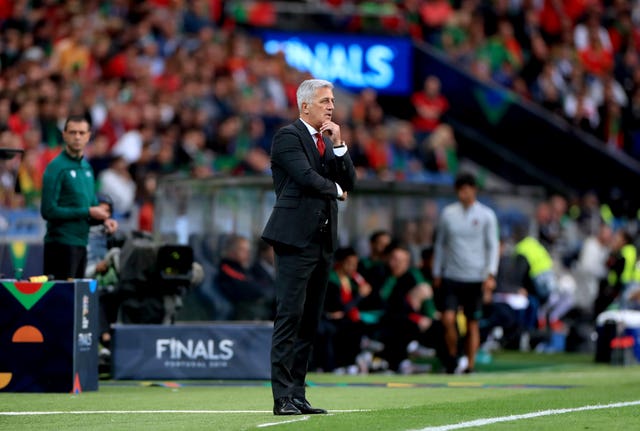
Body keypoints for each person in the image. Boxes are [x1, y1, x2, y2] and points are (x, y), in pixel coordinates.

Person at [261, 78, 356, 416]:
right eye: (325, 101)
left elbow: (351, 182)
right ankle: (282, 397)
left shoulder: (327, 142)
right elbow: (306, 178)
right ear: (305, 106)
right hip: (294, 240)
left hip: (322, 242)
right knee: (290, 316)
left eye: (331, 101)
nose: (331, 106)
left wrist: (341, 145)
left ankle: (297, 394)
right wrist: (336, 189)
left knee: (309, 321)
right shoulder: (288, 136)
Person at [432, 171, 499, 374]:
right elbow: (440, 244)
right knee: (448, 320)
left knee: (472, 323)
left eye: (466, 190)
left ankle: (470, 364)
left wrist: (490, 274)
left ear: (474, 190)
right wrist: (437, 271)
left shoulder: (486, 215)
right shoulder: (448, 214)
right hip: (452, 275)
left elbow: (493, 246)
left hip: (475, 277)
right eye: (460, 190)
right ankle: (452, 358)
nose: (463, 194)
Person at [40, 114, 118, 280]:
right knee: (60, 302)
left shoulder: (87, 168)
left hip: (81, 244)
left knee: (76, 301)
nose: (77, 137)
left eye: (82, 133)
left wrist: (105, 220)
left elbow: (91, 203)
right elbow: (48, 211)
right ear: (64, 135)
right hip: (60, 245)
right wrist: (88, 212)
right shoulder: (56, 167)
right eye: (73, 132)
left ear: (89, 136)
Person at [216, 233, 274, 321]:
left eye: (248, 251)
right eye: (243, 250)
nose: (248, 254)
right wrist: (264, 291)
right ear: (232, 251)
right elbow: (248, 287)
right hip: (243, 311)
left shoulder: (240, 268)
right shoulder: (227, 268)